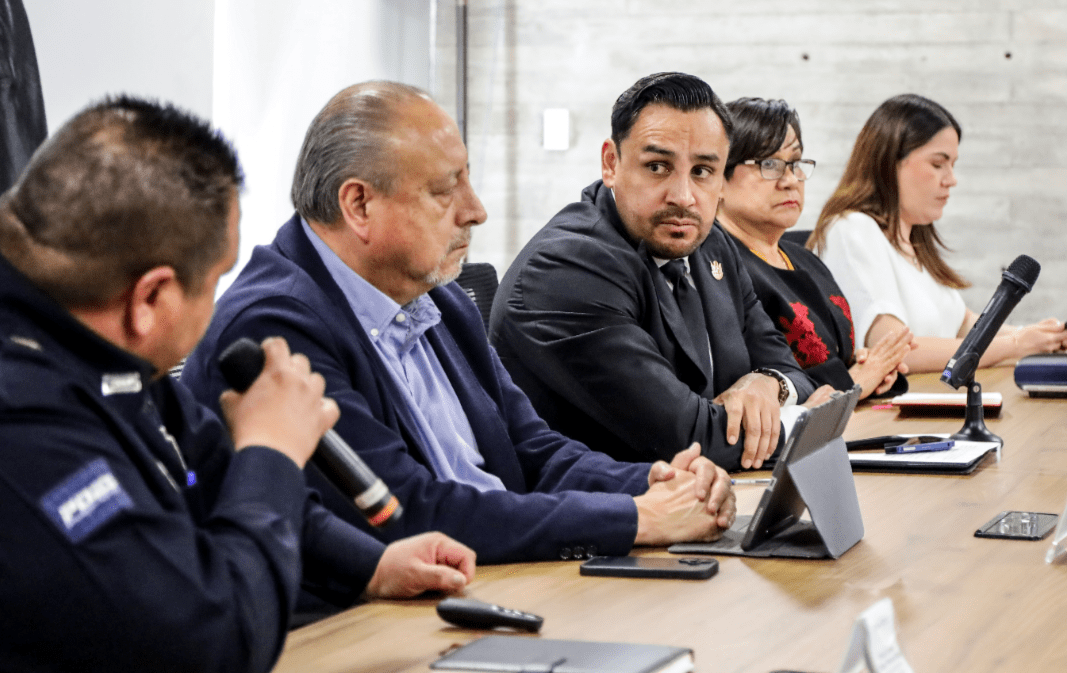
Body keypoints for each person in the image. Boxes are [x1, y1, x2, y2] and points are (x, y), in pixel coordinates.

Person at [0, 95, 477, 673]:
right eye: (216, 280)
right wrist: (273, 448)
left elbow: (211, 473)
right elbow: (211, 644)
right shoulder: (25, 419)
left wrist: (370, 565)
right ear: (151, 298)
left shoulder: (99, 346)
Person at [181, 81, 737, 567]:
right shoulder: (274, 328)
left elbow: (532, 449)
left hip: (494, 574)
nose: (475, 210)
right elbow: (405, 511)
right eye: (445, 190)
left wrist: (659, 482)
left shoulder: (440, 298)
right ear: (359, 206)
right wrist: (635, 518)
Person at [490, 72, 823, 474]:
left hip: (706, 492)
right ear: (611, 164)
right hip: (609, 503)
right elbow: (688, 439)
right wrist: (810, 424)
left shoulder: (710, 244)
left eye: (702, 171)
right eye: (658, 166)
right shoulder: (566, 268)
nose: (683, 197)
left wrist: (767, 384)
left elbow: (790, 371)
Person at [808, 93, 1067, 373]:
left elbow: (963, 324)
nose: (951, 180)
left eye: (952, 165)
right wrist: (1015, 344)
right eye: (937, 164)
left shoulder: (913, 242)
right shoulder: (851, 229)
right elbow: (894, 350)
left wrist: (1041, 336)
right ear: (889, 162)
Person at [716, 97, 914, 400]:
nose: (790, 181)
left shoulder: (804, 257)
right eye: (769, 164)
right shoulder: (714, 267)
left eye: (795, 163)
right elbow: (753, 382)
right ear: (717, 177)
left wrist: (869, 368)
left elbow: (835, 360)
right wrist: (854, 382)